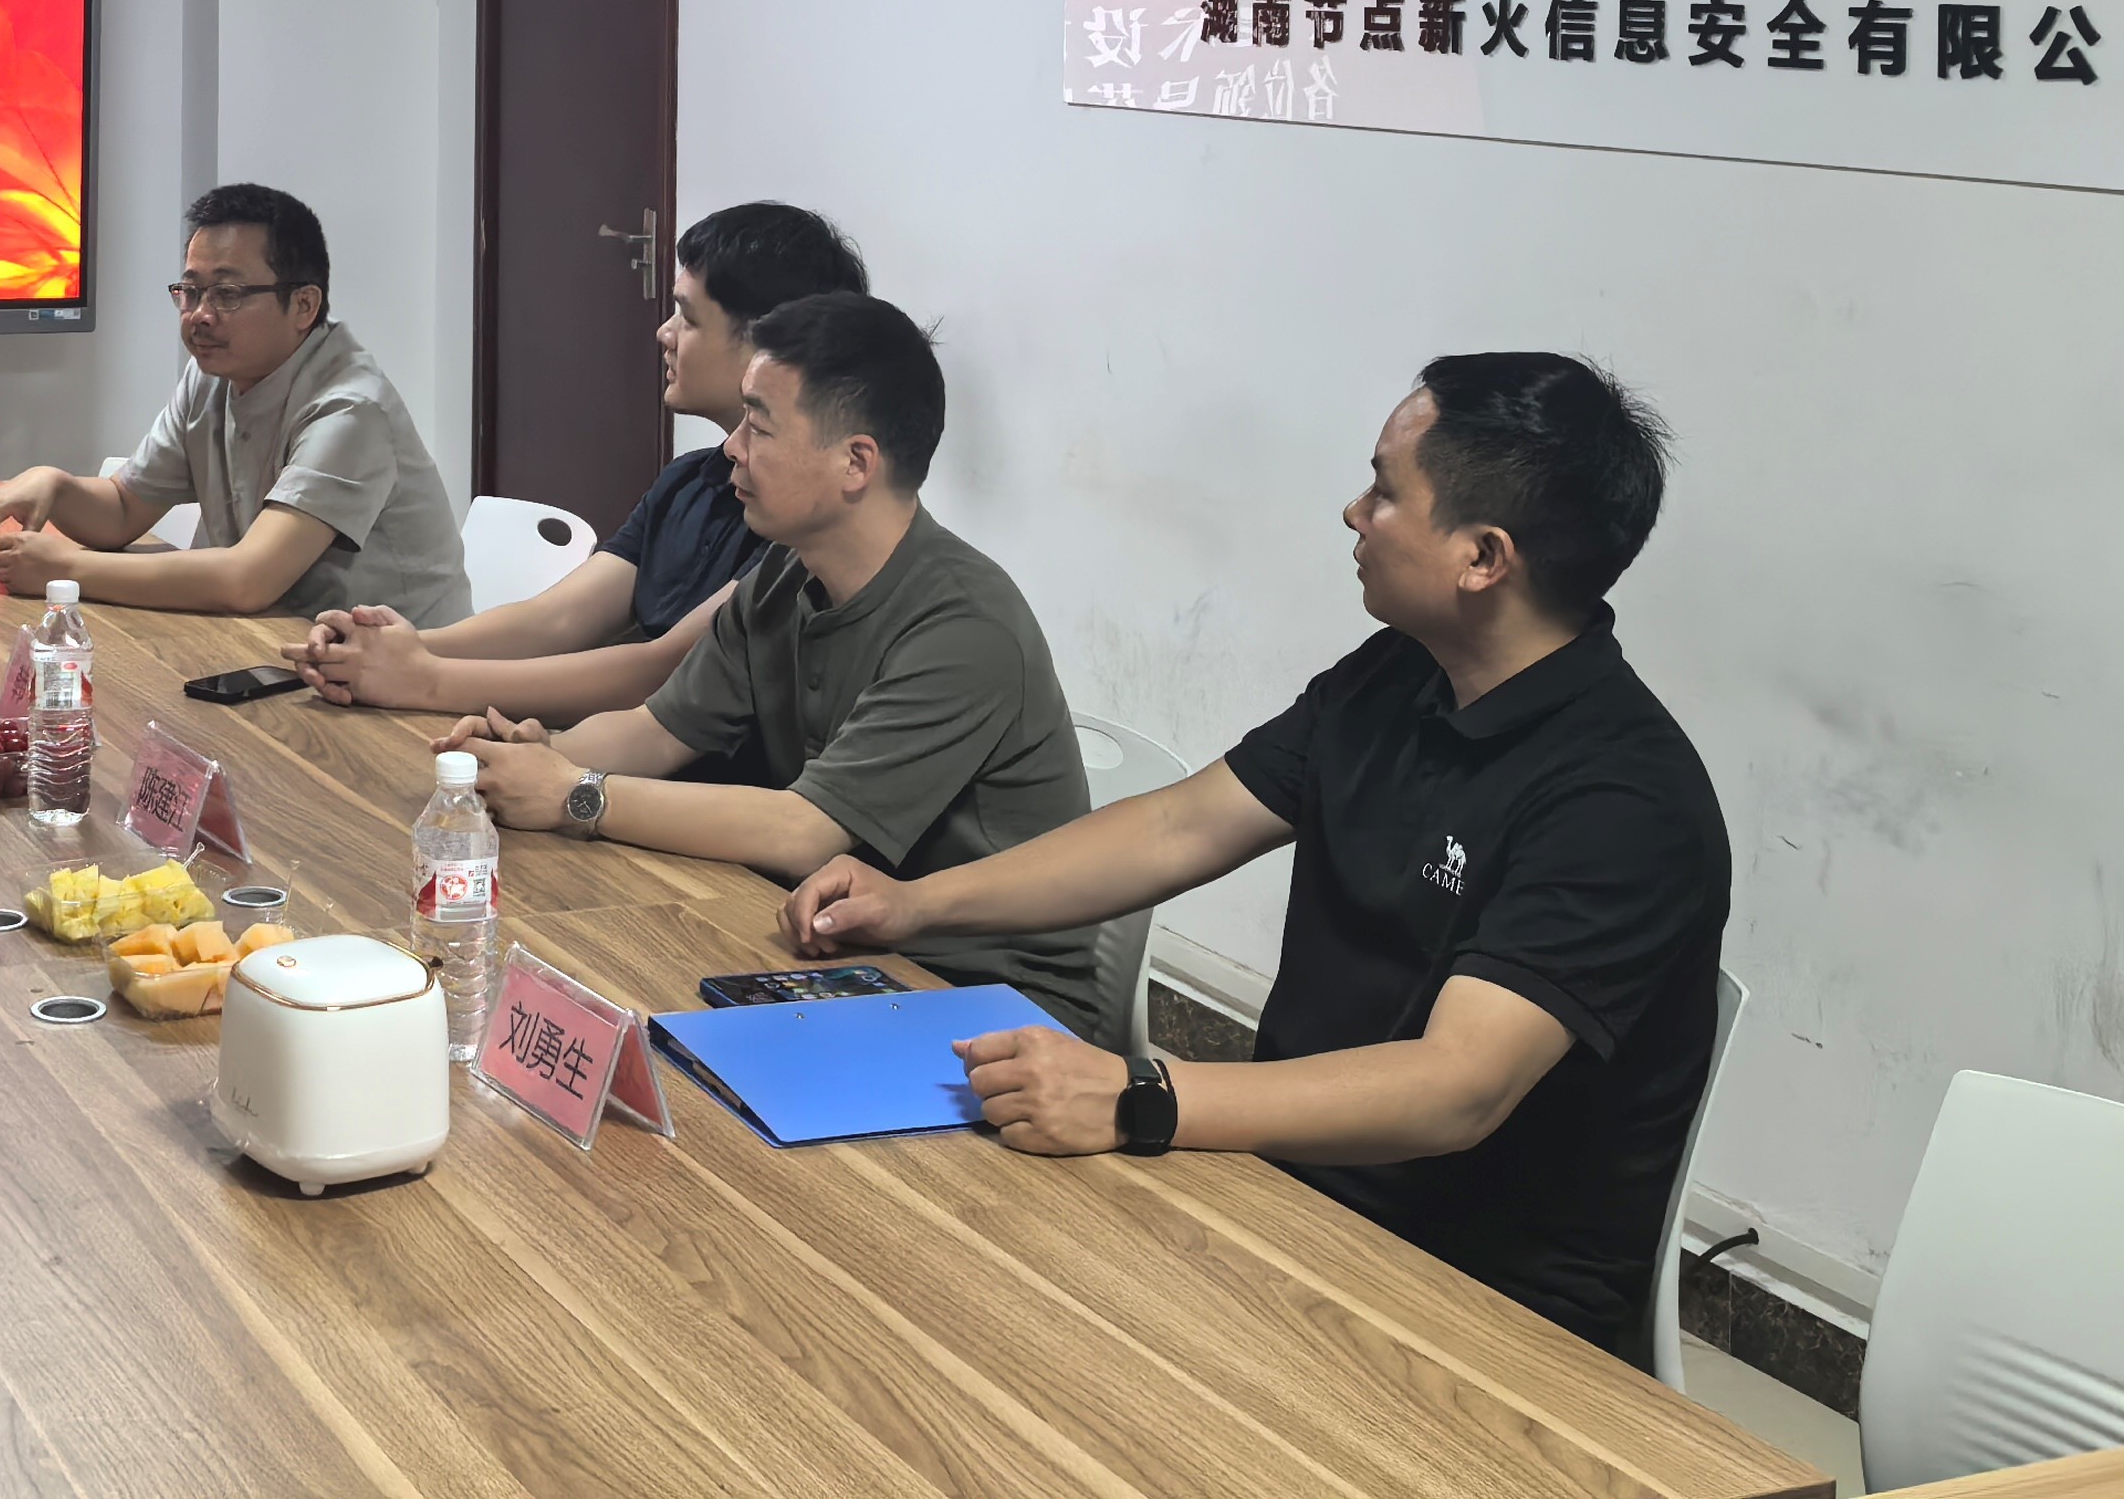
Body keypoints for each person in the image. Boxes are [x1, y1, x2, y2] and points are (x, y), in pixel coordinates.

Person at [777, 353, 1730, 1355]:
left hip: (1474, 1310)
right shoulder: (1397, 676)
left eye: (1384, 492)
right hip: (1280, 1194)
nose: (1353, 514)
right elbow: (1178, 826)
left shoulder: (1623, 801)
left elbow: (1458, 1087)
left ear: (1483, 557)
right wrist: (915, 903)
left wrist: (1140, 1097)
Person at [445, 291, 1104, 1038]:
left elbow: (802, 831)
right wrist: (533, 756)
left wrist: (574, 795)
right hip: (842, 957)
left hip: (991, 1004)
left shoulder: (964, 627)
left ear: (855, 462)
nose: (732, 448)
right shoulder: (785, 577)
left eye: (758, 426)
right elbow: (655, 730)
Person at [289, 199, 863, 725]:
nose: (664, 333)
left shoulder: (806, 522)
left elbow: (662, 673)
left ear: (769, 343)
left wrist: (424, 678)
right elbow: (556, 619)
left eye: (688, 317)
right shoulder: (690, 480)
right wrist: (403, 646)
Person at [0, 183, 470, 624]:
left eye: (228, 294)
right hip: (271, 642)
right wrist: (56, 485)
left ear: (304, 304)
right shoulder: (213, 374)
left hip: (397, 674)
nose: (200, 315)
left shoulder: (351, 409)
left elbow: (247, 580)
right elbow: (124, 510)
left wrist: (67, 568)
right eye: (191, 292)